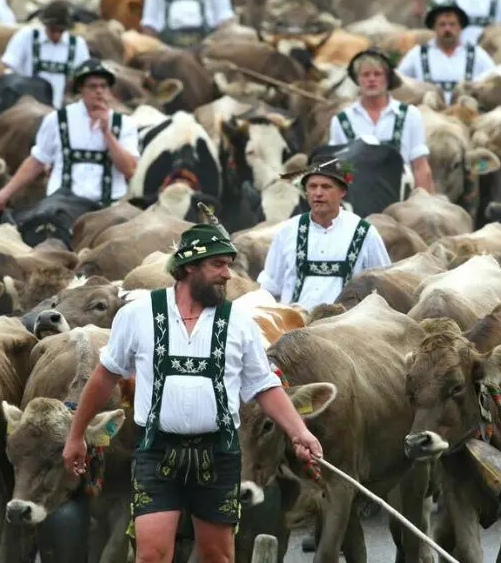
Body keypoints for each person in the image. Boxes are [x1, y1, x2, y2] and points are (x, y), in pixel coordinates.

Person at [61, 220, 323, 562]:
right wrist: (76, 434)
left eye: (228, 265)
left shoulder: (238, 321)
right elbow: (104, 377)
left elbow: (264, 385)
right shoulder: (137, 315)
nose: (227, 274)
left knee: (217, 556)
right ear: (187, 267)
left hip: (218, 452)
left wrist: (300, 432)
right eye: (217, 264)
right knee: (151, 555)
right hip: (157, 451)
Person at [0, 59, 139, 214]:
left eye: (103, 86)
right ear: (81, 90)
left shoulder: (124, 123)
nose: (99, 91)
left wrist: (107, 134)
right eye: (92, 86)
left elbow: (130, 170)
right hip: (61, 209)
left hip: (109, 209)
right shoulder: (57, 119)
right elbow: (37, 161)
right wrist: (3, 194)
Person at [258, 157, 392, 311]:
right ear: (305, 192)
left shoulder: (364, 233)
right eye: (312, 187)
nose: (318, 193)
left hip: (344, 329)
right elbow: (269, 288)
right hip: (293, 328)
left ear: (342, 191)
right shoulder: (287, 231)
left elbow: (383, 287)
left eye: (326, 187)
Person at [328, 48, 434, 197]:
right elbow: (338, 170)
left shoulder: (410, 115)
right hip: (357, 200)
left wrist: (422, 203)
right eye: (365, 74)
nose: (371, 79)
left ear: (388, 78)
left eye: (377, 74)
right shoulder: (341, 121)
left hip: (402, 201)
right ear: (357, 80)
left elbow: (420, 167)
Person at [398, 1, 496, 106]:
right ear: (434, 27)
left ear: (460, 27)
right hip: (428, 113)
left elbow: (493, 81)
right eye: (442, 24)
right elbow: (400, 81)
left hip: (467, 115)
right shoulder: (417, 54)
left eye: (452, 24)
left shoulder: (477, 54)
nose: (447, 29)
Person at [0, 0, 91, 109]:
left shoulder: (78, 44)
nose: (56, 35)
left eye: (61, 31)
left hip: (62, 108)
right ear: (44, 24)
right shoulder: (26, 36)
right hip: (26, 107)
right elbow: (7, 68)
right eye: (52, 30)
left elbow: (86, 79)